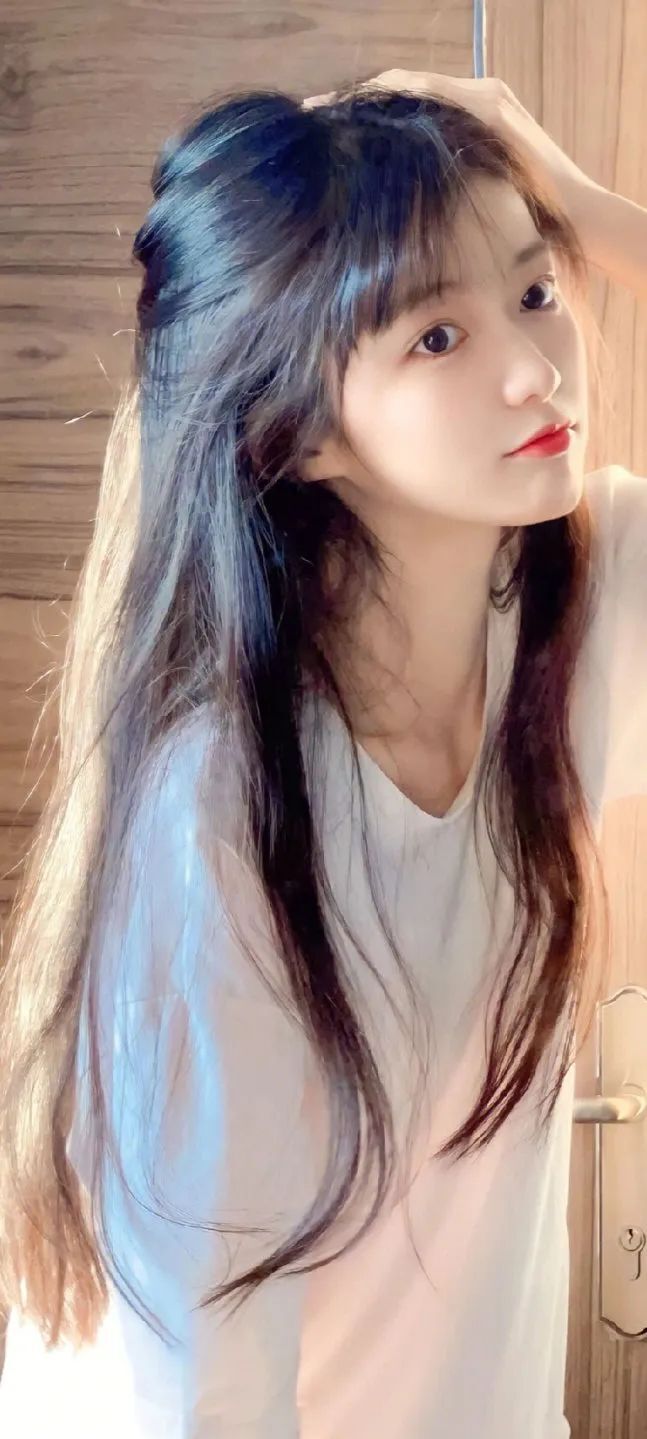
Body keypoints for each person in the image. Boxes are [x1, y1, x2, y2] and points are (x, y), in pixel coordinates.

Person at [0, 70, 646, 1439]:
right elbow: (208, 1398)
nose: (536, 369)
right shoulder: (217, 811)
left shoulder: (587, 600)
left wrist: (579, 205)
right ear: (296, 431)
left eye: (537, 293)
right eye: (437, 335)